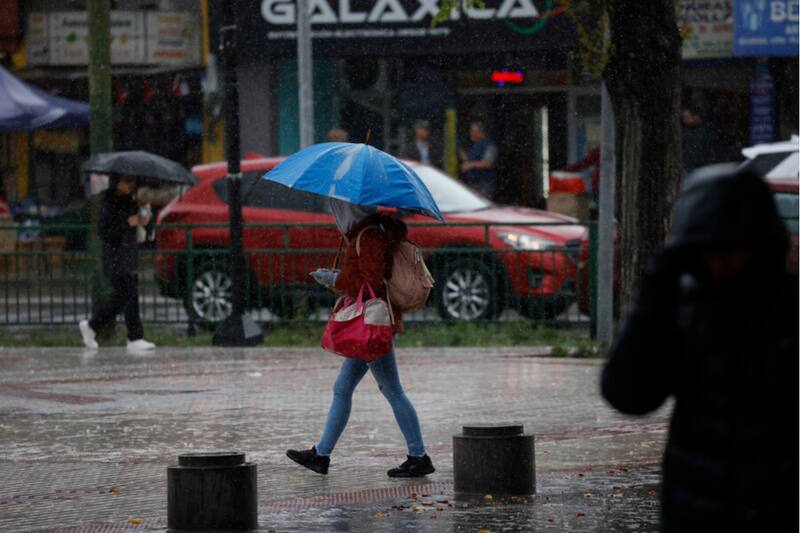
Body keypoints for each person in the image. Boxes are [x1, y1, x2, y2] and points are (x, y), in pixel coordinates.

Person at [601, 165, 798, 532]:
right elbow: (628, 394)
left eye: (730, 250)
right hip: (694, 511)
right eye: (709, 252)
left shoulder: (790, 312)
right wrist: (656, 289)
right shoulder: (686, 310)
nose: (720, 266)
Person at [286, 201, 434, 478]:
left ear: (351, 210)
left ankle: (418, 456)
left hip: (370, 326)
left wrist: (336, 279)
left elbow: (372, 283)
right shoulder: (368, 233)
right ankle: (321, 454)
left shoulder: (369, 237)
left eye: (339, 210)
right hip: (372, 325)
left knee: (392, 390)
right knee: (345, 388)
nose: (337, 215)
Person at [79, 175, 156, 353]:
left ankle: (94, 325)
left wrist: (145, 217)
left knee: (125, 296)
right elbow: (105, 231)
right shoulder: (109, 202)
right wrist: (126, 223)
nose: (130, 185)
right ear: (117, 182)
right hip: (115, 256)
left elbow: (146, 228)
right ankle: (133, 336)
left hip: (128, 254)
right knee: (126, 294)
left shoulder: (132, 201)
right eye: (126, 181)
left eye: (132, 182)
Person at [459, 121, 498, 199]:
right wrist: (465, 159)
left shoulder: (489, 145)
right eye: (471, 131)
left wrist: (469, 165)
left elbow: (488, 163)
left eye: (473, 131)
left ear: (481, 132)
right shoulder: (475, 145)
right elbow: (471, 160)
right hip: (474, 184)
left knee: (482, 208)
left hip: (484, 184)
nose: (471, 133)